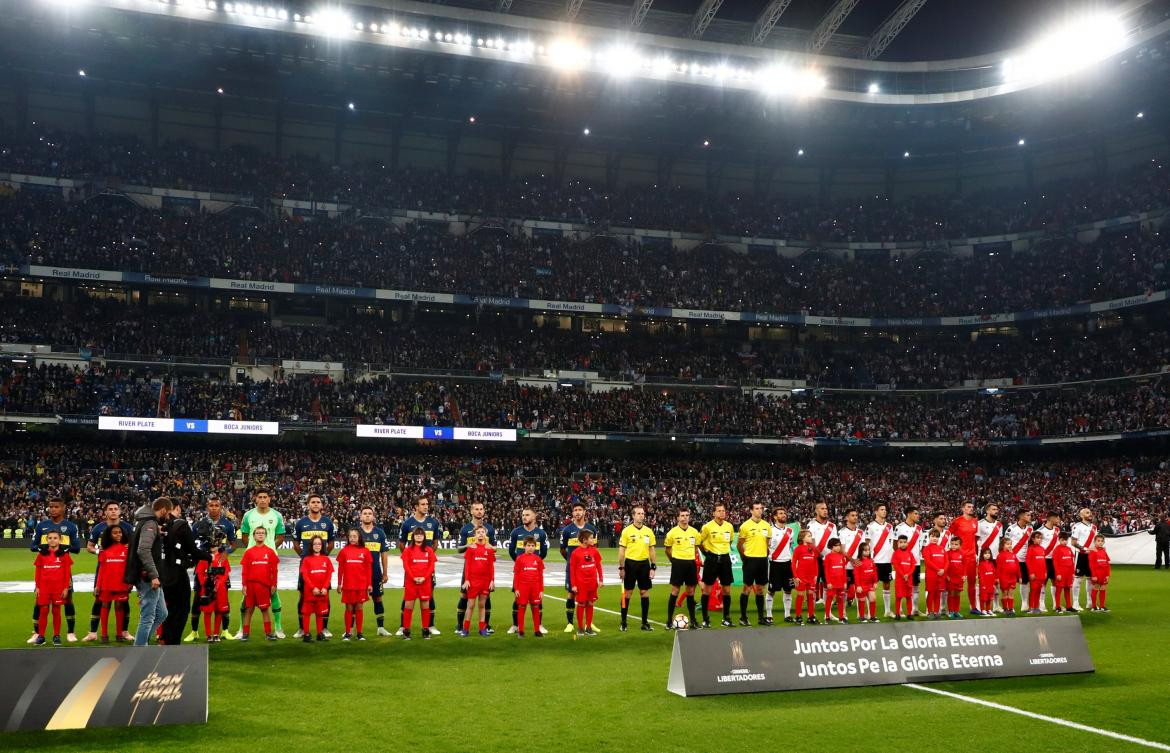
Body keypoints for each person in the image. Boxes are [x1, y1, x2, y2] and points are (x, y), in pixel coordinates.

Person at [27, 497, 81, 644]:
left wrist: (64, 548)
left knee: (68, 599)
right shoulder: (41, 526)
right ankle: (37, 632)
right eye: (50, 506)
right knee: (39, 602)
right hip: (45, 570)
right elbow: (33, 545)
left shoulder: (70, 527)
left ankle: (70, 632)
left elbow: (77, 548)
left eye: (56, 507)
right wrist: (42, 548)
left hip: (62, 569)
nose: (52, 509)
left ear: (63, 508)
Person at [187, 494, 238, 642]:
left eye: (217, 506)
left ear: (221, 507)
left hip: (219, 563)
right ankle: (194, 631)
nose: (214, 508)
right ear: (207, 507)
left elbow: (233, 544)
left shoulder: (227, 524)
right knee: (198, 599)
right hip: (203, 564)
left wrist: (225, 554)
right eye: (211, 505)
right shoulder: (198, 524)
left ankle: (224, 631)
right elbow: (191, 544)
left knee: (223, 598)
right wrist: (199, 555)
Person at [159, 498, 209, 645]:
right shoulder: (180, 525)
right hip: (177, 573)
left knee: (167, 608)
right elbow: (192, 550)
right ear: (177, 508)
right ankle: (173, 642)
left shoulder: (158, 525)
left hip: (161, 573)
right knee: (181, 609)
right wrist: (209, 556)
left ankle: (164, 638)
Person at [83, 501, 134, 642]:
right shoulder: (98, 528)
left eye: (115, 509)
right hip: (105, 568)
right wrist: (101, 552)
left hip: (123, 570)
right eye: (110, 509)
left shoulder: (128, 528)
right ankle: (93, 632)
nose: (113, 511)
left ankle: (124, 632)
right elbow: (89, 547)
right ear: (105, 512)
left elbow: (133, 547)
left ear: (119, 511)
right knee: (99, 599)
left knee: (124, 602)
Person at [239, 489, 287, 638]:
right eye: (259, 497)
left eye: (265, 497)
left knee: (273, 591)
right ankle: (242, 629)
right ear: (255, 499)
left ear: (269, 499)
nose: (262, 499)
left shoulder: (277, 515)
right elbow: (245, 536)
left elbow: (281, 536)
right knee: (247, 593)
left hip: (269, 559)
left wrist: (270, 547)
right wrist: (253, 549)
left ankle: (278, 627)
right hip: (252, 558)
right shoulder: (248, 515)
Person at [127, 497, 173, 646]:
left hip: (147, 575)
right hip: (147, 577)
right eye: (168, 513)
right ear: (164, 509)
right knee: (148, 616)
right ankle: (139, 650)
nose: (168, 517)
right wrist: (153, 575)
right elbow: (143, 550)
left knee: (162, 613)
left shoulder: (143, 521)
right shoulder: (150, 523)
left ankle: (141, 641)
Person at [292, 493, 335, 639]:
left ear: (321, 505)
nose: (316, 504)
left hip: (321, 566)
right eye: (313, 502)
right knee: (303, 595)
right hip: (306, 565)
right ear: (308, 505)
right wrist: (304, 557)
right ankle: (302, 628)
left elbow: (331, 543)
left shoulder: (328, 523)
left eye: (318, 502)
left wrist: (323, 556)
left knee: (325, 596)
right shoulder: (300, 523)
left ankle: (324, 628)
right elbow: (296, 543)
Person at [399, 495, 443, 635]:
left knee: (430, 595)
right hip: (412, 567)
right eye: (423, 504)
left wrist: (427, 555)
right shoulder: (407, 523)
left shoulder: (433, 523)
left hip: (427, 567)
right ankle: (403, 626)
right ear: (416, 507)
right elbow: (401, 544)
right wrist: (412, 556)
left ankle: (430, 625)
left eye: (427, 504)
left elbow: (435, 542)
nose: (426, 506)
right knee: (408, 597)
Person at [506, 507, 548, 634]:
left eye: (527, 515)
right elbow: (511, 550)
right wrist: (521, 562)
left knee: (537, 600)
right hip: (521, 572)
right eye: (523, 515)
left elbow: (544, 552)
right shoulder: (515, 532)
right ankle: (515, 625)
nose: (524, 517)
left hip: (534, 571)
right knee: (517, 598)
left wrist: (535, 563)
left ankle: (539, 625)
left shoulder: (541, 534)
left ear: (534, 517)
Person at [460, 501, 500, 635]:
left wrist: (491, 548)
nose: (479, 511)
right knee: (465, 600)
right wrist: (468, 546)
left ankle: (484, 627)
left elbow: (494, 548)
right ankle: (462, 627)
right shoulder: (466, 529)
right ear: (472, 511)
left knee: (484, 602)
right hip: (470, 575)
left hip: (485, 578)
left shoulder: (490, 529)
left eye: (481, 509)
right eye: (476, 509)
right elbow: (459, 548)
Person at [559, 502, 598, 633]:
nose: (577, 512)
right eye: (575, 510)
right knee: (571, 594)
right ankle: (570, 623)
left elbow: (594, 549)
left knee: (588, 597)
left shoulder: (591, 529)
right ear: (572, 513)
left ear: (585, 512)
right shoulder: (567, 530)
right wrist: (572, 563)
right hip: (573, 569)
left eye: (580, 510)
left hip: (587, 571)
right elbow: (562, 550)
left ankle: (589, 624)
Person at [618, 505, 658, 632]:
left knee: (644, 592)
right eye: (639, 513)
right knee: (628, 593)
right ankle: (623, 622)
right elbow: (621, 550)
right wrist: (621, 567)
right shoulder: (627, 531)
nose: (641, 515)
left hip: (644, 565)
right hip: (630, 564)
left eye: (643, 513)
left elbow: (651, 549)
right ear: (633, 516)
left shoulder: (648, 531)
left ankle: (644, 623)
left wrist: (653, 566)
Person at [32, 531, 73, 645]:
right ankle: (41, 636)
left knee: (56, 611)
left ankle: (56, 636)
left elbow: (67, 573)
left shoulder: (64, 554)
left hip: (58, 588)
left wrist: (65, 588)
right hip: (44, 588)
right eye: (50, 538)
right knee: (43, 611)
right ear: (46, 540)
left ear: (59, 540)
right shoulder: (41, 554)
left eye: (55, 538)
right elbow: (38, 572)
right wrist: (37, 587)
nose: (52, 540)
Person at [240, 526, 280, 641]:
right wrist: (244, 585)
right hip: (251, 585)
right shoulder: (248, 552)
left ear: (266, 535)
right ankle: (245, 634)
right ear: (253, 536)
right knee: (249, 610)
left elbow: (274, 571)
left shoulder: (270, 552)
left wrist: (274, 584)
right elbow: (245, 571)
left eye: (262, 533)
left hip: (264, 586)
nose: (260, 534)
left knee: (264, 609)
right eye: (258, 533)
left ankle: (268, 633)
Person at [93, 524, 132, 642]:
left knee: (120, 606)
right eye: (115, 533)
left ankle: (119, 634)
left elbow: (129, 568)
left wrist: (130, 582)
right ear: (109, 535)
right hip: (106, 584)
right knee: (105, 606)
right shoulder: (104, 550)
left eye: (119, 532)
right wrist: (97, 585)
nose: (118, 534)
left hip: (121, 584)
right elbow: (101, 569)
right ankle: (104, 635)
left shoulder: (126, 549)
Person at [699, 502, 735, 628]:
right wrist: (706, 553)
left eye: (723, 510)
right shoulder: (707, 527)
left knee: (727, 590)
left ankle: (726, 618)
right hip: (712, 559)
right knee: (707, 590)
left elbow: (730, 540)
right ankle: (705, 619)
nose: (722, 513)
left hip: (725, 559)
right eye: (719, 511)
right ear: (713, 513)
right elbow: (699, 541)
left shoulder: (729, 526)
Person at [664, 508, 700, 629]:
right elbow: (667, 550)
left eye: (687, 515)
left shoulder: (695, 532)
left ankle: (693, 621)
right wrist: (673, 560)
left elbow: (695, 548)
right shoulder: (672, 533)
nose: (684, 517)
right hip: (678, 564)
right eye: (682, 515)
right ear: (678, 518)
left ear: (689, 517)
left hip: (690, 563)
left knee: (690, 592)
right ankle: (669, 621)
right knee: (675, 591)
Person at [358, 506, 390, 637]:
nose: (367, 515)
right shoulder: (356, 533)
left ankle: (381, 628)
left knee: (378, 599)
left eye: (369, 513)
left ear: (373, 516)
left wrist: (385, 573)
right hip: (359, 574)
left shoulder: (380, 533)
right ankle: (352, 629)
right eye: (364, 513)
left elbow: (384, 554)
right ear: (360, 516)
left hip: (376, 572)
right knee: (356, 601)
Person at [336, 528, 373, 641]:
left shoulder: (365, 551)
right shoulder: (344, 551)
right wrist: (339, 583)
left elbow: (368, 569)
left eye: (354, 536)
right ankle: (348, 633)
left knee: (359, 608)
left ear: (359, 538)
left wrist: (369, 584)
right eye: (350, 536)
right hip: (348, 585)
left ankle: (359, 633)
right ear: (348, 538)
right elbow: (340, 569)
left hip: (361, 585)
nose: (352, 538)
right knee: (349, 608)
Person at [401, 527, 437, 640]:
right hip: (411, 582)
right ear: (413, 536)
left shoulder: (429, 550)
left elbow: (431, 566)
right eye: (417, 534)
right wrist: (413, 577)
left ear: (424, 537)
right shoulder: (408, 550)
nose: (419, 536)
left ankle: (425, 630)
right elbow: (406, 566)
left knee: (425, 606)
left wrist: (424, 577)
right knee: (408, 606)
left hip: (425, 582)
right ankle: (406, 630)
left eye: (421, 534)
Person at [946, 501, 980, 616]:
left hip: (971, 557)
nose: (971, 509)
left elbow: (974, 538)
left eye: (972, 507)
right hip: (958, 558)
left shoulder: (975, 522)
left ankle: (973, 607)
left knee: (972, 583)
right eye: (968, 507)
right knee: (953, 585)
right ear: (963, 509)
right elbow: (948, 535)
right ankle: (951, 609)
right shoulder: (957, 521)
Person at [569, 529, 603, 637]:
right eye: (591, 538)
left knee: (590, 603)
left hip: (592, 583)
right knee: (582, 604)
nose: (593, 539)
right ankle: (580, 628)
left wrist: (601, 579)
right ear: (584, 540)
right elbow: (572, 570)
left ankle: (588, 628)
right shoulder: (575, 553)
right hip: (581, 584)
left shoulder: (594, 551)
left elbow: (598, 565)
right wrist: (573, 585)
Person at [299, 536, 334, 642]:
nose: (317, 546)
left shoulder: (326, 559)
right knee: (307, 613)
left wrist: (325, 587)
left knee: (320, 613)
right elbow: (305, 576)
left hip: (322, 592)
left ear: (322, 545)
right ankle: (306, 635)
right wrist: (313, 588)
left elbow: (329, 575)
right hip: (310, 592)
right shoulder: (306, 559)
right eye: (315, 544)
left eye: (319, 544)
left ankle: (319, 634)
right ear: (311, 545)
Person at [194, 543, 231, 642]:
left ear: (218, 545)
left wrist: (217, 585)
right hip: (207, 589)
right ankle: (208, 635)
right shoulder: (204, 558)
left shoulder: (223, 557)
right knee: (207, 612)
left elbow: (226, 573)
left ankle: (216, 634)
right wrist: (205, 585)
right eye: (211, 545)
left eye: (215, 544)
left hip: (220, 589)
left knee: (219, 611)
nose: (213, 547)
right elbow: (200, 573)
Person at [865, 503, 896, 618]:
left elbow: (891, 542)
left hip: (887, 561)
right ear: (876, 512)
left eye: (885, 509)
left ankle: (887, 610)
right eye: (882, 509)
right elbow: (866, 543)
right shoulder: (870, 526)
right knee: (871, 587)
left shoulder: (890, 526)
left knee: (887, 585)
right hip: (875, 561)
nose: (884, 511)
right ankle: (870, 612)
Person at [893, 506, 924, 616]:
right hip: (903, 564)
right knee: (901, 587)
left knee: (916, 585)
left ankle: (915, 610)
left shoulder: (919, 528)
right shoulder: (899, 527)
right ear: (909, 514)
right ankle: (900, 610)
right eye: (916, 513)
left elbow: (921, 544)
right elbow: (895, 545)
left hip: (915, 562)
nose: (917, 515)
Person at [512, 536, 545, 637]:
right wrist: (516, 588)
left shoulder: (538, 559)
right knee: (522, 607)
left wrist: (541, 590)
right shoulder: (519, 559)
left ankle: (537, 630)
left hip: (535, 587)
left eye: (532, 546)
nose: (530, 548)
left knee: (535, 607)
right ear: (524, 546)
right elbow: (516, 575)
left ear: (535, 547)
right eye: (528, 545)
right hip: (523, 587)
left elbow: (540, 576)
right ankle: (521, 631)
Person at [806, 501, 837, 605]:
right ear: (816, 511)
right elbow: (812, 544)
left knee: (828, 582)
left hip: (829, 559)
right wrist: (822, 555)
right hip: (816, 559)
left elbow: (835, 543)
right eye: (822, 509)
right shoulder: (811, 525)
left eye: (826, 509)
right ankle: (812, 608)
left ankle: (826, 607)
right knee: (814, 582)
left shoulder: (832, 526)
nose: (825, 511)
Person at [975, 503, 1003, 614]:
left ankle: (996, 606)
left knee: (996, 583)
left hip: (995, 558)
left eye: (997, 509)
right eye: (993, 509)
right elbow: (975, 540)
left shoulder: (999, 525)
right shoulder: (979, 524)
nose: (996, 511)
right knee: (981, 583)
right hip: (983, 558)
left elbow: (999, 541)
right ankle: (979, 606)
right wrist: (976, 555)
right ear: (987, 510)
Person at [1070, 508, 1098, 611]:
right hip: (1081, 555)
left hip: (1091, 556)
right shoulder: (1077, 526)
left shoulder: (1094, 527)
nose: (1090, 514)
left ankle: (1089, 602)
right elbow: (1073, 542)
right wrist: (1084, 548)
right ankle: (1075, 603)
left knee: (1090, 579)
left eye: (1090, 512)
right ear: (1081, 515)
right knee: (1078, 579)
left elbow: (1095, 542)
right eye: (1087, 512)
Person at [1006, 510, 1034, 610]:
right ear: (1021, 516)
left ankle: (1024, 604)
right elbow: (1005, 543)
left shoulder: (1030, 528)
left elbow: (1031, 543)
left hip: (1025, 560)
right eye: (1028, 515)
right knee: (1010, 582)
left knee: (1025, 582)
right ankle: (1009, 606)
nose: (1030, 517)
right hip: (1014, 560)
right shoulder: (1011, 529)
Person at [792, 530, 819, 625]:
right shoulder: (798, 549)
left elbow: (815, 562)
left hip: (811, 577)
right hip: (801, 576)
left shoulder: (813, 549)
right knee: (800, 595)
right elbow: (793, 563)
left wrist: (816, 575)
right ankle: (798, 617)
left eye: (811, 536)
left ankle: (811, 616)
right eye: (809, 536)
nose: (811, 537)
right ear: (802, 538)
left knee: (811, 597)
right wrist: (795, 577)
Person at [1036, 512, 1062, 612]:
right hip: (1044, 560)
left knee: (1055, 582)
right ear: (1051, 518)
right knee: (1043, 582)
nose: (1059, 520)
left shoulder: (1057, 530)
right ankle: (1041, 603)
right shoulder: (1040, 531)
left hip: (1055, 560)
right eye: (1057, 518)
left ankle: (1056, 604)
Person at [921, 529, 947, 620]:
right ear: (929, 537)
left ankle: (936, 611)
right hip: (931, 575)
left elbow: (946, 561)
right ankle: (930, 611)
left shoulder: (942, 549)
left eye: (936, 537)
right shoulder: (926, 549)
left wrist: (943, 570)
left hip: (941, 575)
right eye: (932, 536)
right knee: (931, 594)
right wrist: (938, 569)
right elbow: (928, 562)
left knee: (938, 594)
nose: (935, 538)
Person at [822, 538, 848, 623]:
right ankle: (827, 617)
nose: (838, 547)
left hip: (841, 582)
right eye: (836, 546)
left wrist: (844, 582)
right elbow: (826, 570)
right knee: (829, 598)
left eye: (839, 545)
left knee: (840, 599)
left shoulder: (842, 556)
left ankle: (841, 617)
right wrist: (828, 582)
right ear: (831, 547)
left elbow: (844, 570)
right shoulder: (828, 557)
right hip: (832, 583)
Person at [892, 535, 917, 620]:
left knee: (908, 597)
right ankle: (897, 614)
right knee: (898, 597)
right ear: (898, 543)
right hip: (900, 580)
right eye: (901, 542)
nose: (903, 544)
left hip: (909, 579)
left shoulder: (910, 553)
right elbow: (896, 566)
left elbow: (913, 565)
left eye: (904, 542)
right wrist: (903, 575)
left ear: (907, 543)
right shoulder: (896, 553)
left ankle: (909, 614)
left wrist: (908, 574)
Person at [1052, 531, 1077, 613]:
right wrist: (1058, 573)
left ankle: (1069, 606)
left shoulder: (1069, 549)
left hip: (1069, 573)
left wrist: (1073, 572)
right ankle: (1057, 606)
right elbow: (1055, 563)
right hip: (1061, 572)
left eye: (1066, 540)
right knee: (1059, 590)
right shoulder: (1057, 550)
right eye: (1063, 540)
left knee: (1067, 589)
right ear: (1059, 540)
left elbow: (1072, 561)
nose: (1064, 541)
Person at [995, 536, 1020, 616]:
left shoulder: (1013, 555)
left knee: (1011, 593)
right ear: (1002, 545)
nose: (1009, 545)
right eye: (1007, 544)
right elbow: (998, 568)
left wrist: (1019, 577)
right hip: (1004, 578)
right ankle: (1005, 609)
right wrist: (997, 578)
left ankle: (1011, 609)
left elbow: (1017, 566)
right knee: (1005, 593)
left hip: (1012, 578)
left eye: (1010, 544)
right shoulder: (1000, 555)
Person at [853, 542, 878, 623]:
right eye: (865, 550)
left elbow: (874, 572)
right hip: (861, 585)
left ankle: (872, 616)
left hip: (870, 584)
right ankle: (861, 616)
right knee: (862, 600)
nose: (867, 551)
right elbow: (856, 575)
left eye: (868, 550)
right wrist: (858, 586)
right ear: (861, 551)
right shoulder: (858, 561)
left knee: (873, 599)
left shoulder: (871, 560)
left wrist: (875, 582)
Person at [1026, 530, 1049, 614]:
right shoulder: (1031, 549)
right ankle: (1031, 607)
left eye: (1040, 538)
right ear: (1033, 539)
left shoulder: (1042, 549)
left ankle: (1036, 607)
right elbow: (1028, 561)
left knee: (1039, 590)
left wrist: (1045, 572)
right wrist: (1031, 573)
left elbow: (1043, 562)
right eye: (1037, 538)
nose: (1039, 539)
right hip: (1034, 574)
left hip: (1041, 574)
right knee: (1033, 590)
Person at [945, 535, 967, 619]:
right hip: (950, 578)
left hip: (959, 578)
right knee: (951, 593)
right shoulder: (948, 553)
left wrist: (964, 575)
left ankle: (956, 611)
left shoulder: (963, 554)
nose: (953, 546)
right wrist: (946, 575)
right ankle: (951, 611)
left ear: (960, 545)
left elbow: (965, 565)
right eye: (952, 544)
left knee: (957, 594)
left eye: (956, 544)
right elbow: (945, 565)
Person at [1088, 535, 1111, 611]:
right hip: (1097, 574)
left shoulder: (1104, 551)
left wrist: (1108, 575)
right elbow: (1091, 565)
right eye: (1098, 541)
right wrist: (1094, 575)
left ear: (1104, 542)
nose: (1100, 542)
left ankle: (1102, 606)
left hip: (1104, 574)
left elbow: (1107, 563)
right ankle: (1094, 607)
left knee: (1103, 588)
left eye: (1102, 541)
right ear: (1095, 542)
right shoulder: (1092, 552)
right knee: (1096, 588)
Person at [977, 548, 998, 619]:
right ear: (982, 555)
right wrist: (982, 584)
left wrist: (995, 581)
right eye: (985, 553)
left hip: (990, 584)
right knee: (984, 598)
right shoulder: (981, 564)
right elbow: (980, 575)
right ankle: (983, 610)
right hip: (984, 585)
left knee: (990, 598)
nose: (987, 555)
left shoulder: (991, 563)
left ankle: (988, 609)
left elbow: (994, 573)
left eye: (989, 553)